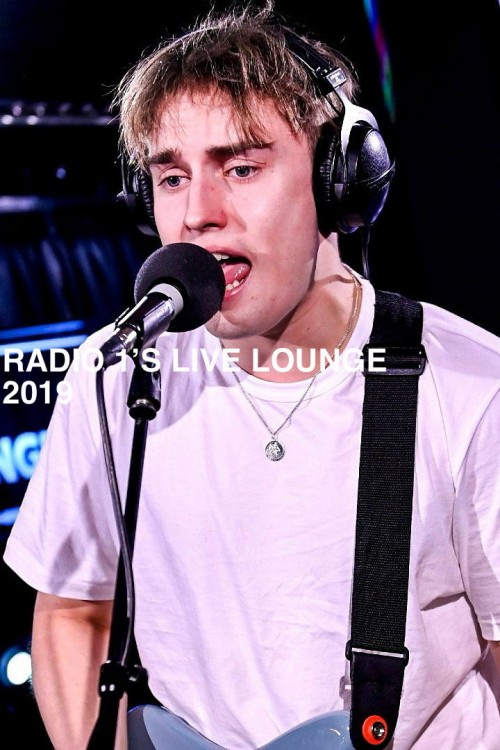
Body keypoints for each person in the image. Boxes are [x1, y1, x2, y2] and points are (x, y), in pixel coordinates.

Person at [3, 2, 500, 749]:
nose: (198, 213)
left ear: (340, 182)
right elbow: (72, 610)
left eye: (241, 168)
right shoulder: (114, 373)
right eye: (172, 177)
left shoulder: (471, 388)